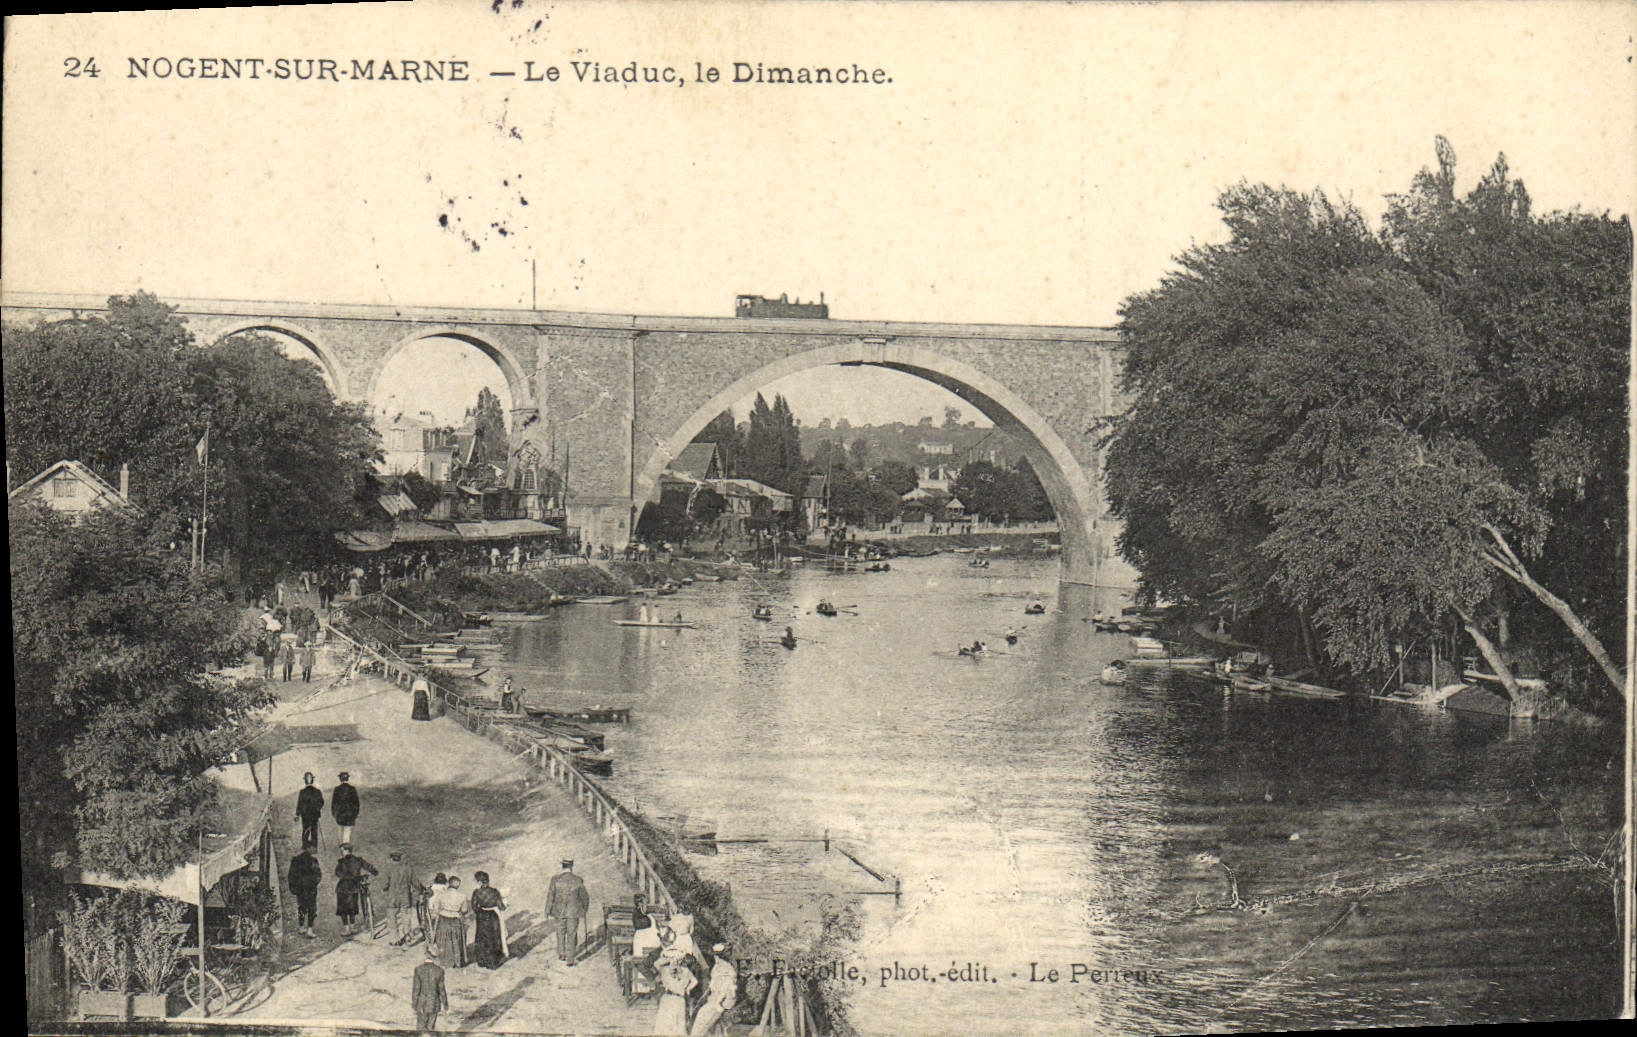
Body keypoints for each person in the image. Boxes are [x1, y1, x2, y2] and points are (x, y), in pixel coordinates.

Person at [544, 858, 589, 965]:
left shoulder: (555, 879)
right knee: (572, 933)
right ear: (571, 866)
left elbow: (550, 896)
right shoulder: (578, 880)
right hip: (573, 912)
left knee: (560, 932)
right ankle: (570, 959)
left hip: (559, 911)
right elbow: (585, 897)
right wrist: (584, 909)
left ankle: (561, 954)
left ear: (562, 866)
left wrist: (547, 910)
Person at [689, 944, 738, 1036]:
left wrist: (719, 1002)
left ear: (716, 956)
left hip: (722, 999)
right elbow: (713, 985)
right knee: (713, 1025)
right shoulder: (718, 966)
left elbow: (727, 986)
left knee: (702, 1017)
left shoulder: (724, 967)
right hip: (716, 997)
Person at [335, 843, 379, 936]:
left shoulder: (341, 862)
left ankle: (347, 929)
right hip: (354, 887)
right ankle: (353, 927)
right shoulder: (359, 860)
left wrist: (348, 876)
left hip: (343, 887)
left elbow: (338, 873)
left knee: (343, 909)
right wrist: (373, 873)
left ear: (346, 850)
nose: (341, 852)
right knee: (352, 906)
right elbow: (371, 868)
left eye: (342, 850)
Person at [382, 850, 423, 947]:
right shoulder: (408, 868)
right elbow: (416, 883)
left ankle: (394, 939)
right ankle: (407, 936)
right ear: (400, 858)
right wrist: (421, 890)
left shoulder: (388, 868)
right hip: (405, 897)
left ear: (392, 858)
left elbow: (385, 884)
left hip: (393, 898)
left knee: (392, 918)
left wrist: (386, 888)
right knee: (406, 918)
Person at [654, 944, 698, 1036]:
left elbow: (695, 981)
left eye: (677, 959)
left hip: (679, 999)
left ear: (681, 960)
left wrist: (688, 989)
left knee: (679, 1027)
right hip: (667, 998)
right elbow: (656, 964)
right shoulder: (665, 970)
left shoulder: (685, 970)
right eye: (673, 958)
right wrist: (668, 958)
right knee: (665, 1027)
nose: (675, 961)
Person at [469, 871, 508, 969]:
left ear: (479, 882)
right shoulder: (495, 891)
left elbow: (474, 907)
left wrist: (480, 911)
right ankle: (493, 961)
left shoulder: (476, 892)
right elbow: (502, 907)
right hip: (493, 916)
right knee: (494, 937)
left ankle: (482, 960)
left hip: (482, 916)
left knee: (482, 938)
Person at [430, 875, 469, 969]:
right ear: (458, 885)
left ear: (448, 884)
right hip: (456, 919)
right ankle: (457, 961)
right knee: (456, 940)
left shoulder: (441, 895)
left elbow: (436, 908)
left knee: (443, 940)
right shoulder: (462, 896)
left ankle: (445, 960)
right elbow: (464, 910)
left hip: (443, 918)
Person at [288, 846, 322, 938]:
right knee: (312, 908)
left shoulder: (295, 860)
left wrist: (293, 887)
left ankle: (301, 926)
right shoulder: (313, 860)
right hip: (310, 888)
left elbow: (291, 875)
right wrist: (314, 883)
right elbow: (318, 874)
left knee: (301, 907)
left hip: (300, 888)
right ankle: (309, 929)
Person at [411, 949, 448, 1032]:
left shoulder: (418, 969)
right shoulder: (439, 971)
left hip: (422, 1004)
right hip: (434, 1004)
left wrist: (414, 1004)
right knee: (431, 1029)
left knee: (420, 1029)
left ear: (426, 956)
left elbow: (416, 989)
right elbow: (442, 990)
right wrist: (445, 1005)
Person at [296, 772, 324, 851]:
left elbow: (300, 804)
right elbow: (321, 802)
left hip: (305, 815)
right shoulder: (317, 791)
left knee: (306, 830)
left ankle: (305, 846)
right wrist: (317, 809)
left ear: (305, 780)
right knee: (313, 830)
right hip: (314, 814)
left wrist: (297, 814)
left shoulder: (303, 792)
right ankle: (314, 847)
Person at [332, 772, 360, 845]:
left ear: (340, 779)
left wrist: (334, 813)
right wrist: (355, 814)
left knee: (340, 831)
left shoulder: (337, 789)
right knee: (347, 832)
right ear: (348, 778)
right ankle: (346, 846)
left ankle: (342, 846)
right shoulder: (352, 789)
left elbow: (334, 803)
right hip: (350, 815)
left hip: (340, 815)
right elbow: (356, 803)